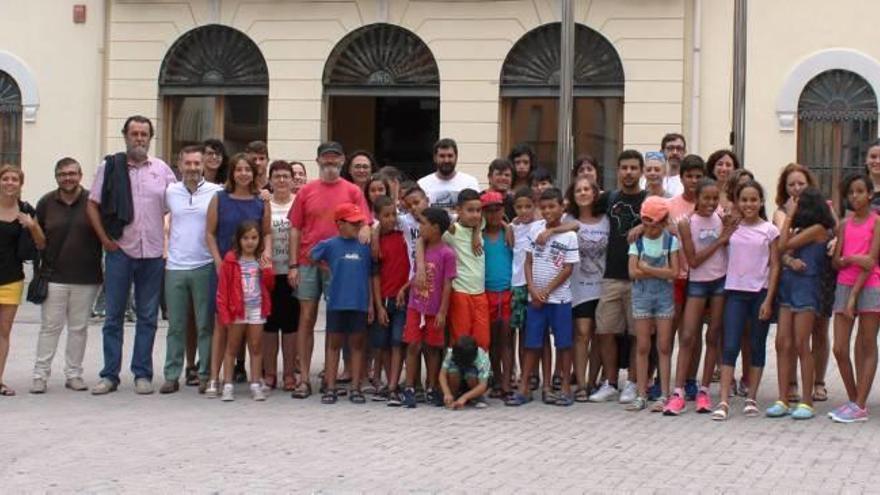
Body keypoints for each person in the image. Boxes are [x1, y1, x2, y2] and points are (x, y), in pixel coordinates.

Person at [87, 115, 176, 395]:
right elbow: (92, 205)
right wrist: (105, 240)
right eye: (135, 133)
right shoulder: (110, 167)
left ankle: (142, 374)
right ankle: (109, 375)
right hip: (120, 251)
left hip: (151, 252)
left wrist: (167, 237)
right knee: (113, 316)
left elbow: (177, 204)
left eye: (144, 134)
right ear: (125, 135)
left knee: (148, 316)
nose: (139, 138)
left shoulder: (162, 170)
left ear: (151, 138)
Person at [288, 141, 371, 399]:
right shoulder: (306, 191)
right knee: (307, 317)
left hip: (340, 265)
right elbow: (295, 228)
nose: (331, 162)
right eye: (326, 158)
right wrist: (293, 265)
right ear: (318, 161)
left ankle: (330, 377)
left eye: (335, 158)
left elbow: (365, 222)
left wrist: (366, 230)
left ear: (342, 160)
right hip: (308, 261)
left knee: (335, 322)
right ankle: (303, 378)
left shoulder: (353, 191)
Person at [28, 158, 102, 394]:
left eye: (71, 173)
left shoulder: (93, 201)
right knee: (50, 327)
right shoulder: (46, 203)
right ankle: (40, 375)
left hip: (86, 276)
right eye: (62, 174)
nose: (67, 178)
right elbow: (38, 238)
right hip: (54, 276)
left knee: (79, 328)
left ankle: (74, 374)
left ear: (80, 175)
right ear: (56, 177)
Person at [712, 180, 780, 421]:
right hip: (734, 292)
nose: (749, 204)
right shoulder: (731, 228)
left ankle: (751, 398)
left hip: (759, 294)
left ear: (761, 202)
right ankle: (723, 401)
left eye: (754, 199)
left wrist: (769, 299)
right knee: (730, 345)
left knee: (756, 345)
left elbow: (775, 265)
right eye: (744, 199)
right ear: (737, 202)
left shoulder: (770, 230)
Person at [204, 153, 272, 396]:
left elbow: (266, 232)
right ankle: (215, 377)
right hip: (226, 268)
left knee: (249, 327)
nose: (243, 173)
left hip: (251, 269)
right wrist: (218, 261)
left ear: (254, 173)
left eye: (248, 169)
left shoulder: (260, 200)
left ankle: (250, 378)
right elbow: (210, 233)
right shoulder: (219, 198)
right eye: (238, 169)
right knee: (222, 324)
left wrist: (267, 255)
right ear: (232, 173)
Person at [666, 178, 734, 415]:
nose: (711, 203)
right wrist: (720, 240)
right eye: (706, 198)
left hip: (719, 282)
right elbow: (693, 260)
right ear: (697, 198)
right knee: (687, 336)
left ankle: (704, 390)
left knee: (713, 335)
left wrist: (726, 234)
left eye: (715, 198)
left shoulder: (721, 219)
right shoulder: (687, 223)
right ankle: (679, 391)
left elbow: (730, 248)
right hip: (697, 283)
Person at [160, 145, 223, 394]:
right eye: (189, 163)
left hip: (204, 265)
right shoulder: (170, 192)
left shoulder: (216, 192)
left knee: (205, 324)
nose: (193, 168)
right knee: (175, 325)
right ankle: (171, 375)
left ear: (203, 165)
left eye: (197, 164)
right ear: (180, 164)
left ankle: (206, 374)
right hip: (174, 266)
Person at [507, 187, 579, 406]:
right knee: (532, 343)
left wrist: (547, 290)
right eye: (544, 207)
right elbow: (528, 261)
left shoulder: (569, 235)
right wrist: (532, 288)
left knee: (564, 344)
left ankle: (566, 388)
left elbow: (568, 268)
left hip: (560, 299)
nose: (548, 211)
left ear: (562, 208)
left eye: (552, 206)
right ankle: (524, 387)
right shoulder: (535, 229)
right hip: (535, 299)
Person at [770, 187, 834, 420]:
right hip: (789, 286)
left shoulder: (818, 230)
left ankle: (807, 400)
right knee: (784, 344)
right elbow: (781, 250)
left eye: (798, 203)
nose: (794, 205)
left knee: (801, 343)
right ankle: (783, 398)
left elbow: (785, 244)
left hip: (807, 288)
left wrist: (788, 216)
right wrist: (788, 259)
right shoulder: (800, 228)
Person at [589, 150, 647, 403]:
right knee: (606, 331)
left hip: (640, 277)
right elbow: (579, 214)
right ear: (618, 170)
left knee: (637, 334)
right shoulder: (609, 198)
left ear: (641, 171)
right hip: (611, 275)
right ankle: (610, 382)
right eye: (624, 168)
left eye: (634, 168)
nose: (629, 173)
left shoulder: (649, 200)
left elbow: (666, 219)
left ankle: (633, 383)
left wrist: (645, 225)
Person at [830, 174, 880, 422]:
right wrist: (846, 260)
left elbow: (870, 262)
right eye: (851, 192)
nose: (855, 196)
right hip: (844, 285)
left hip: (870, 287)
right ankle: (854, 400)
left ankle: (860, 404)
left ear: (870, 194)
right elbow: (837, 260)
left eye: (860, 191)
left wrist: (850, 259)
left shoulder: (877, 222)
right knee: (839, 347)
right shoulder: (843, 224)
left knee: (868, 344)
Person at [312, 203, 374, 405]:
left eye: (359, 222)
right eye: (353, 223)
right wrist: (327, 268)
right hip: (336, 303)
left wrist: (372, 304)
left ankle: (355, 387)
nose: (357, 226)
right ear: (339, 224)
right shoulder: (331, 244)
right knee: (333, 346)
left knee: (357, 347)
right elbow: (312, 256)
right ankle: (330, 386)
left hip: (359, 303)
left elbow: (372, 275)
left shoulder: (365, 244)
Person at [625, 196, 679, 412]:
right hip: (642, 297)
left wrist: (646, 269)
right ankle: (641, 393)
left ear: (664, 222)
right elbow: (632, 272)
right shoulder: (637, 242)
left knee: (664, 347)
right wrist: (659, 273)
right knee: (643, 346)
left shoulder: (670, 241)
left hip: (663, 298)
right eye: (646, 222)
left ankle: (665, 394)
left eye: (654, 223)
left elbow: (674, 272)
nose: (650, 227)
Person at [402, 207, 456, 408]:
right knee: (413, 345)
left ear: (435, 228)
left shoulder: (447, 254)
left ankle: (432, 387)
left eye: (423, 223)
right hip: (416, 306)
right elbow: (416, 274)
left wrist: (443, 311)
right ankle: (409, 387)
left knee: (433, 349)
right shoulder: (421, 248)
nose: (420, 227)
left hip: (435, 309)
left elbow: (447, 284)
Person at [0, 165, 45, 396]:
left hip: (11, 279)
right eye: (5, 178)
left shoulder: (26, 210)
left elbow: (41, 243)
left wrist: (32, 225)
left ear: (20, 184)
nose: (9, 182)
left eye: (14, 179)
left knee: (3, 332)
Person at [216, 220, 273, 402]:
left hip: (256, 309)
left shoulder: (261, 260)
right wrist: (225, 314)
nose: (250, 242)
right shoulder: (231, 260)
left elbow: (269, 287)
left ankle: (255, 383)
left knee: (256, 347)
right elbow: (223, 290)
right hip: (237, 311)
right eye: (246, 238)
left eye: (254, 238)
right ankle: (227, 384)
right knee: (232, 347)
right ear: (239, 240)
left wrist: (267, 272)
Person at [564, 177, 609, 401]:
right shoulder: (568, 219)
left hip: (603, 286)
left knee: (600, 335)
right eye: (578, 190)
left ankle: (593, 381)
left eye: (587, 189)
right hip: (578, 287)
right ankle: (580, 383)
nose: (582, 193)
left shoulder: (606, 220)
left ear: (595, 193)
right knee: (581, 334)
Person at [263, 160, 300, 391]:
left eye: (286, 176)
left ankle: (288, 373)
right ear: (270, 179)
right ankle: (269, 374)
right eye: (277, 176)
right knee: (268, 325)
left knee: (290, 326)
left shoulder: (299, 203)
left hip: (292, 273)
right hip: (268, 273)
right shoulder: (263, 204)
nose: (282, 180)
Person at [370, 196, 410, 403]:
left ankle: (394, 385)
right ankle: (387, 382)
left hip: (403, 298)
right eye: (386, 215)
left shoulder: (403, 235)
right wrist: (378, 305)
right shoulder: (375, 243)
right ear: (377, 216)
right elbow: (375, 276)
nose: (391, 219)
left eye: (393, 214)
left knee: (397, 342)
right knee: (383, 344)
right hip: (384, 300)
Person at [442, 189, 489, 352]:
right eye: (470, 210)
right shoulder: (451, 232)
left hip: (480, 293)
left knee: (482, 340)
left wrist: (476, 232)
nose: (475, 214)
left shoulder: (480, 225)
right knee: (460, 339)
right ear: (458, 210)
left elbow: (481, 219)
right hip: (460, 292)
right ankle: (458, 376)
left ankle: (478, 376)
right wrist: (455, 218)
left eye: (478, 210)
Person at [481, 190, 513, 398]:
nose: (494, 215)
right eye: (489, 211)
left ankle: (508, 382)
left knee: (508, 339)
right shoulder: (479, 235)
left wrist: (507, 225)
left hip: (507, 292)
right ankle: (497, 377)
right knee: (491, 341)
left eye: (497, 209)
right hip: (486, 292)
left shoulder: (509, 233)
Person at [417, 138, 479, 212]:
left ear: (456, 157)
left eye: (450, 156)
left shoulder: (470, 182)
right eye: (442, 156)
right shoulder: (422, 184)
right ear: (435, 158)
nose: (446, 160)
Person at [439, 336, 491, 409]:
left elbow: (483, 385)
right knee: (453, 372)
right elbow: (442, 375)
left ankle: (476, 397)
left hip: (473, 378)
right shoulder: (451, 353)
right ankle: (453, 396)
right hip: (458, 377)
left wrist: (464, 397)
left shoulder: (482, 358)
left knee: (471, 375)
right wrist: (447, 393)